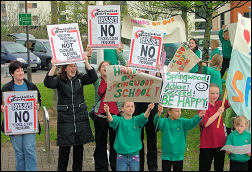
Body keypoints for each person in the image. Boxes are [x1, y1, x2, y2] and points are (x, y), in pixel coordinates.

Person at [43, 54, 97, 171]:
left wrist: (86, 61)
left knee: (79, 150)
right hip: (66, 120)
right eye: (70, 66)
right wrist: (53, 66)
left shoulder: (80, 78)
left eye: (75, 66)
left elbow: (93, 77)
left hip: (80, 119)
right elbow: (48, 83)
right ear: (65, 68)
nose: (73, 68)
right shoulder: (59, 80)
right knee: (64, 151)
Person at [1, 60, 41, 171]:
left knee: (29, 150)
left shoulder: (31, 86)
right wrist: (2, 108)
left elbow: (39, 100)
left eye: (22, 70)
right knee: (19, 152)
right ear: (12, 74)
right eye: (18, 71)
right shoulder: (6, 88)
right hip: (14, 125)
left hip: (29, 125)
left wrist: (38, 105)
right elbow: (2, 103)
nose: (21, 73)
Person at [104, 102, 155, 171]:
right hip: (121, 155)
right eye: (128, 106)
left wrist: (148, 109)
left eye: (132, 106)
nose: (130, 108)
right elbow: (111, 120)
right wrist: (107, 112)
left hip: (134, 155)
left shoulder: (137, 120)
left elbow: (144, 116)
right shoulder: (119, 121)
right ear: (122, 109)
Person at [153, 105, 206, 171]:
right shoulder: (164, 122)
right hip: (166, 155)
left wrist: (199, 116)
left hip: (178, 155)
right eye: (177, 111)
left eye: (180, 110)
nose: (179, 113)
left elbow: (191, 123)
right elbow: (157, 123)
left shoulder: (182, 122)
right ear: (169, 112)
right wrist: (159, 113)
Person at [92, 61, 122, 171]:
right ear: (99, 70)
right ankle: (101, 167)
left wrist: (119, 55)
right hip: (100, 117)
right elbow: (89, 72)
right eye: (103, 66)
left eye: (108, 66)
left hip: (114, 116)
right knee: (100, 143)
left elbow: (126, 71)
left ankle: (115, 166)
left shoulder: (117, 80)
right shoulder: (97, 81)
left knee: (115, 143)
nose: (105, 67)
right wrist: (88, 57)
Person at [198, 83, 230, 171]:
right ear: (207, 94)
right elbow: (206, 123)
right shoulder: (202, 106)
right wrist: (218, 113)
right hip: (207, 143)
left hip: (220, 142)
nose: (215, 96)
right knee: (204, 168)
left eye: (217, 93)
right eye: (212, 93)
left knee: (219, 167)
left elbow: (232, 102)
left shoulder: (220, 103)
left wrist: (232, 86)